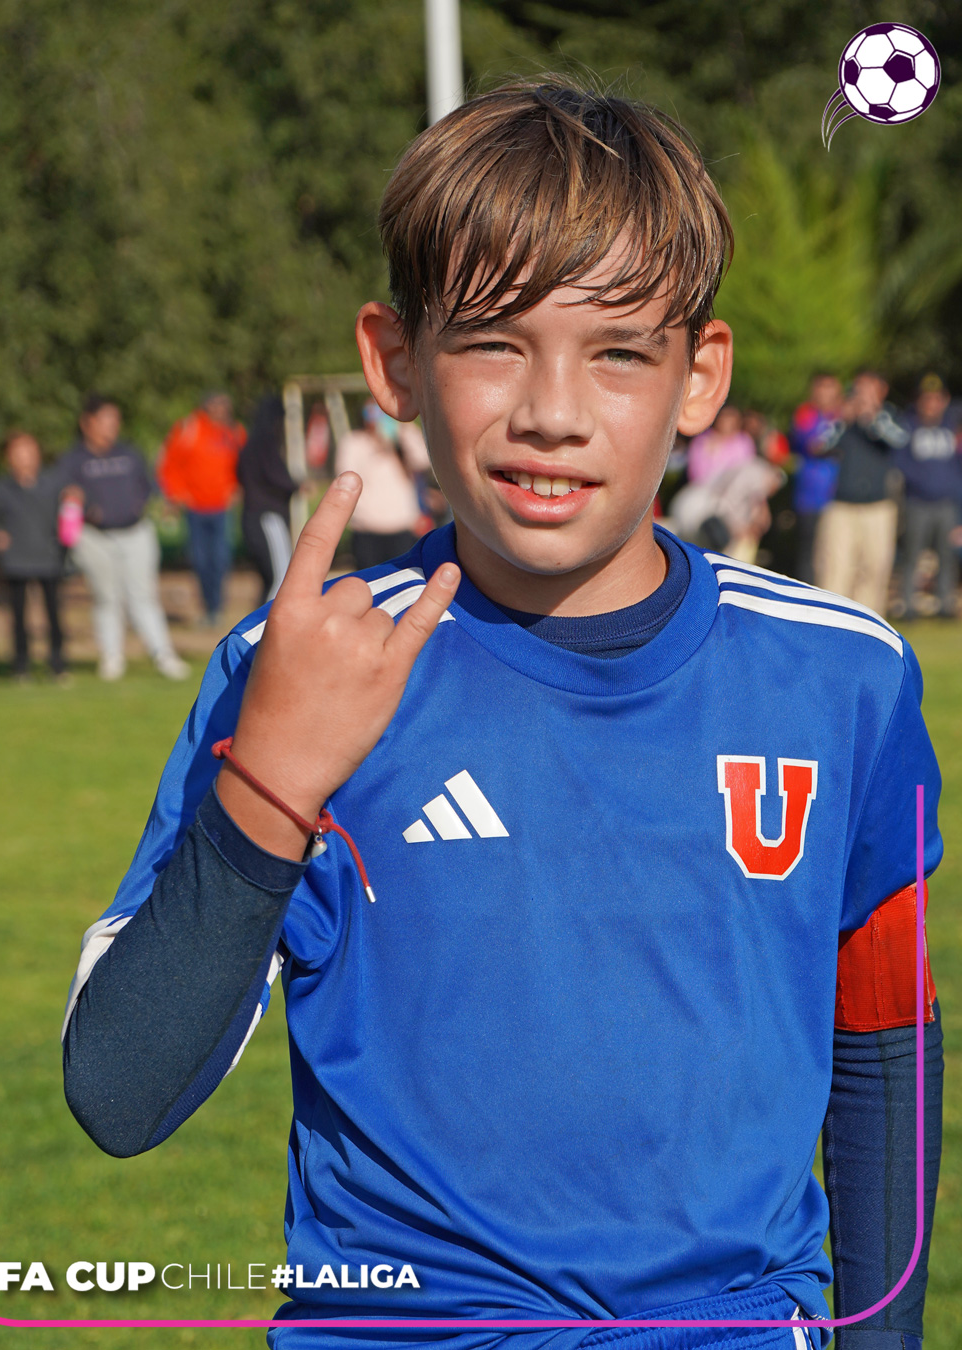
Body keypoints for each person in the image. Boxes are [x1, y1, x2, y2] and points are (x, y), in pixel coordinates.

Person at [62, 83, 941, 1350]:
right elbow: (119, 1091)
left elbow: (885, 1042)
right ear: (395, 362)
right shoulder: (300, 666)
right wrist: (272, 784)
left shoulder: (844, 674)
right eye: (492, 343)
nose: (552, 412)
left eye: (618, 352)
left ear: (701, 376)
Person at [56, 394, 189, 681]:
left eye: (115, 420)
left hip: (135, 532)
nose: (111, 426)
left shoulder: (130, 454)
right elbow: (64, 496)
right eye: (105, 419)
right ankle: (112, 657)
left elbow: (149, 487)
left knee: (143, 595)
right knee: (107, 597)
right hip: (94, 537)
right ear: (87, 422)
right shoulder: (73, 460)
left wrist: (157, 504)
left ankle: (163, 654)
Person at [815, 372, 908, 616]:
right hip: (841, 506)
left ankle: (868, 624)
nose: (863, 395)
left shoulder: (888, 416)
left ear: (881, 391)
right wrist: (843, 420)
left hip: (878, 508)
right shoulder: (842, 418)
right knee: (835, 568)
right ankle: (833, 621)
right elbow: (819, 445)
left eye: (869, 389)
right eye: (859, 389)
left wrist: (872, 416)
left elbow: (900, 441)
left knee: (875, 570)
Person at [0, 431, 68, 680]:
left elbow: (67, 512)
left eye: (29, 451)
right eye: (18, 453)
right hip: (17, 560)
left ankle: (58, 663)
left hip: (48, 557)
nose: (25, 457)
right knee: (19, 615)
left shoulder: (52, 485)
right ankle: (21, 664)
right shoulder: (3, 488)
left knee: (54, 613)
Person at [158, 392, 245, 627]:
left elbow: (244, 464)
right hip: (195, 507)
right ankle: (208, 606)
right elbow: (170, 463)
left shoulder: (234, 432)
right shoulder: (189, 428)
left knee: (221, 558)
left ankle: (217, 607)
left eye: (224, 405)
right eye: (216, 405)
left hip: (222, 507)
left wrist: (238, 487)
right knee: (200, 559)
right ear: (206, 406)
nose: (220, 410)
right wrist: (176, 494)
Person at [895, 374, 962, 620]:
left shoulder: (952, 425)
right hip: (917, 502)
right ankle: (908, 605)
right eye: (927, 399)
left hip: (946, 503)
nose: (931, 404)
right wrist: (920, 484)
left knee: (947, 555)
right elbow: (901, 463)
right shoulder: (909, 425)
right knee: (912, 554)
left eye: (936, 399)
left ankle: (945, 604)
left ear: (944, 400)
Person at [335, 398, 431, 567]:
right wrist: (375, 449)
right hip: (366, 527)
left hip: (402, 525)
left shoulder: (402, 438)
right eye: (372, 413)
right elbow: (346, 475)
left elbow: (423, 460)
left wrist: (401, 433)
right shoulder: (354, 442)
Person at [238, 392, 299, 605]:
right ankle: (270, 622)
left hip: (254, 516)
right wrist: (296, 485)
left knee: (269, 577)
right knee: (280, 576)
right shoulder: (265, 445)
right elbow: (275, 476)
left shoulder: (249, 446)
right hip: (267, 517)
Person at [789, 375, 845, 584]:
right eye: (822, 388)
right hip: (810, 496)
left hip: (840, 496)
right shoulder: (805, 414)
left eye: (830, 388)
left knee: (836, 552)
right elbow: (815, 445)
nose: (826, 393)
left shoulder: (844, 415)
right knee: (809, 552)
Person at [685, 403, 755, 484]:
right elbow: (695, 471)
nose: (726, 424)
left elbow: (746, 468)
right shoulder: (702, 440)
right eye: (724, 419)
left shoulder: (744, 442)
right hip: (704, 486)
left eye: (731, 421)